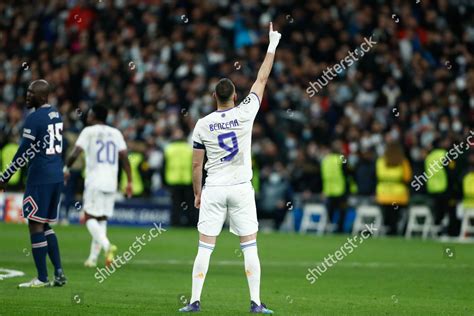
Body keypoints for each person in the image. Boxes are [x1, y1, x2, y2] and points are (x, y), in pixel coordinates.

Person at [179, 23, 281, 314]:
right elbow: (261, 79)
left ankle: (194, 302)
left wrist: (197, 194)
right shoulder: (246, 112)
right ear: (235, 96)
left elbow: (197, 165)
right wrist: (272, 44)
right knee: (250, 247)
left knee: (204, 248)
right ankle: (256, 304)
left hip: (214, 188)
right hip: (240, 189)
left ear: (215, 97)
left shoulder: (203, 124)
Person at [0, 79, 66, 288]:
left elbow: (24, 151)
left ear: (43, 96)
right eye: (27, 92)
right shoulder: (56, 114)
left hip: (40, 177)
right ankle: (59, 273)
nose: (27, 96)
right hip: (55, 174)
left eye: (31, 93)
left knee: (35, 224)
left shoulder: (34, 118)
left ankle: (42, 278)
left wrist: (6, 176)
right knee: (44, 223)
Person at [64, 105, 132, 267]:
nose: (87, 117)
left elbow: (76, 152)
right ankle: (93, 259)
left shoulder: (88, 131)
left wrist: (66, 168)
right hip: (111, 181)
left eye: (89, 114)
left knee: (88, 217)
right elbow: (124, 157)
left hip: (95, 180)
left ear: (94, 116)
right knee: (101, 218)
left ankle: (107, 246)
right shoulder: (116, 133)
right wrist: (129, 181)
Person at [375, 142, 412, 235]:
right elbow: (407, 177)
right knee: (396, 215)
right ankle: (395, 230)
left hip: (383, 194)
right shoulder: (403, 161)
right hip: (398, 194)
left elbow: (376, 175)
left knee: (387, 214)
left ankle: (387, 229)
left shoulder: (381, 161)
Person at [163, 128, 195, 227]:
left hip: (173, 180)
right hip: (187, 180)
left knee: (176, 205)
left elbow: (163, 166)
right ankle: (192, 223)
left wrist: (164, 181)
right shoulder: (189, 148)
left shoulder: (168, 148)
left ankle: (175, 223)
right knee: (190, 204)